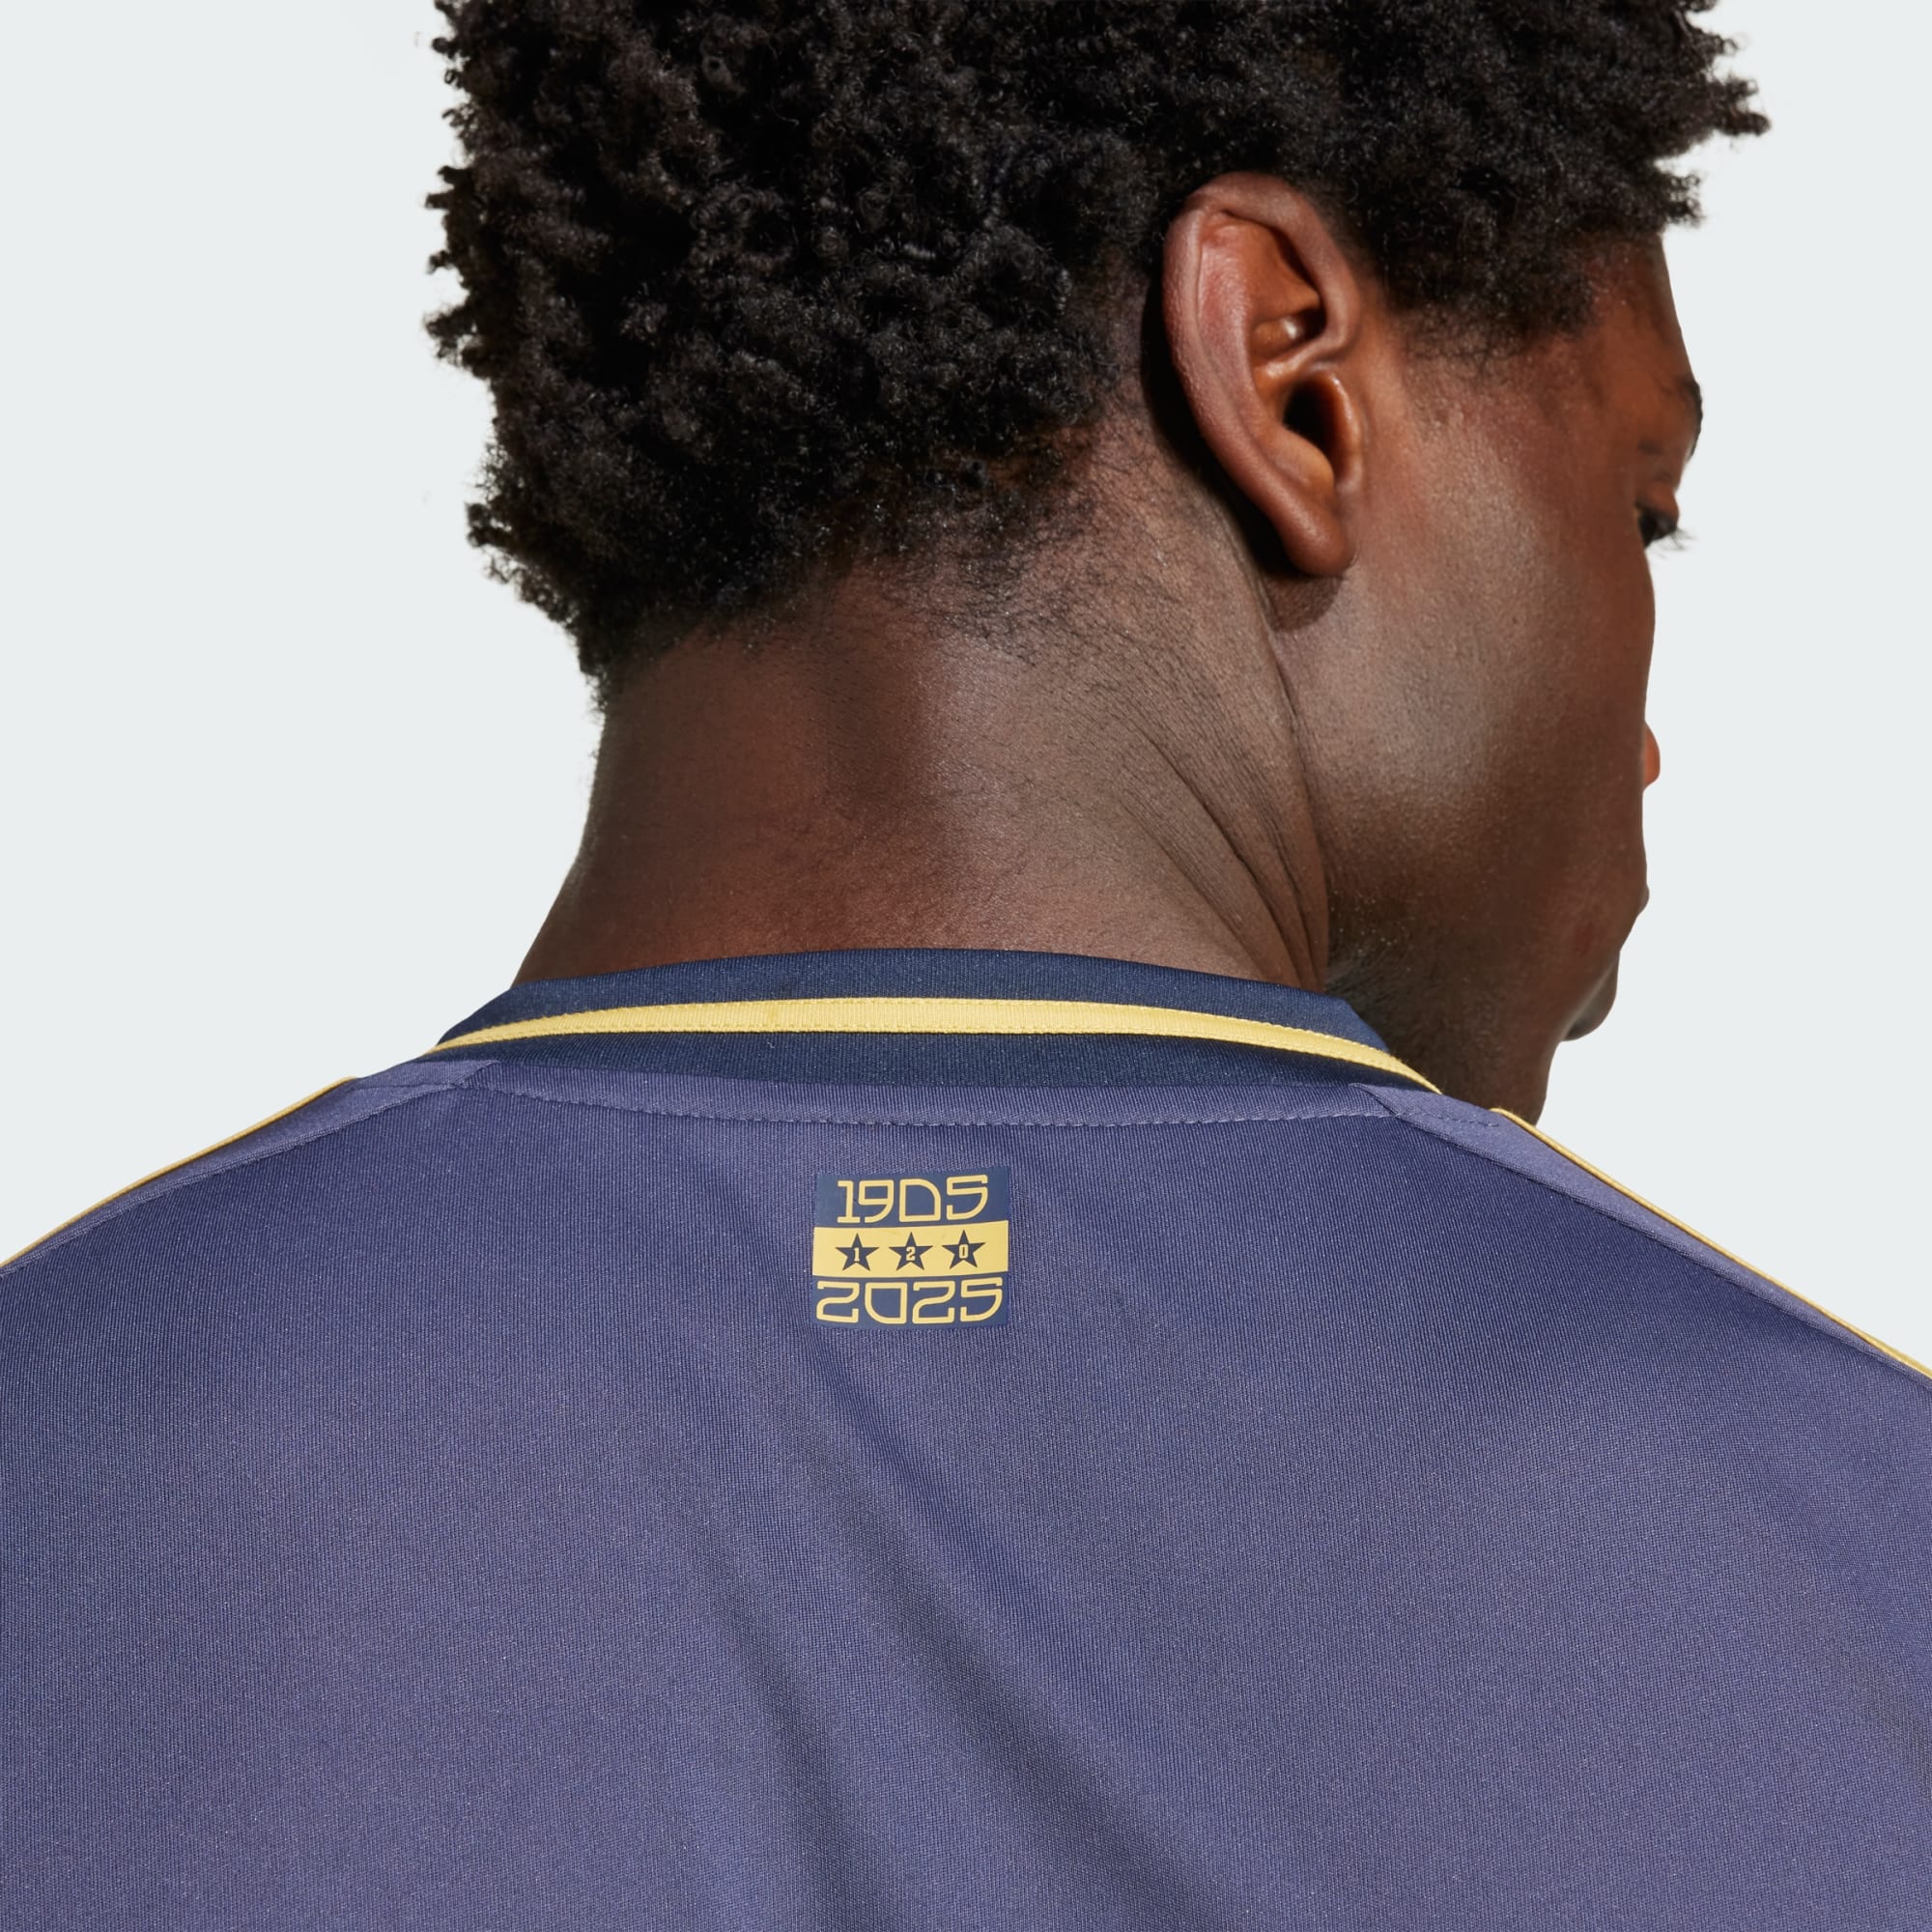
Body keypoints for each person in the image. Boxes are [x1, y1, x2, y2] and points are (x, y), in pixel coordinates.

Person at [7, 4, 1926, 1926]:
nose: (1646, 741)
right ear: (1289, 380)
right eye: (1643, 508)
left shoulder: (60, 1439)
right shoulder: (1852, 1555)